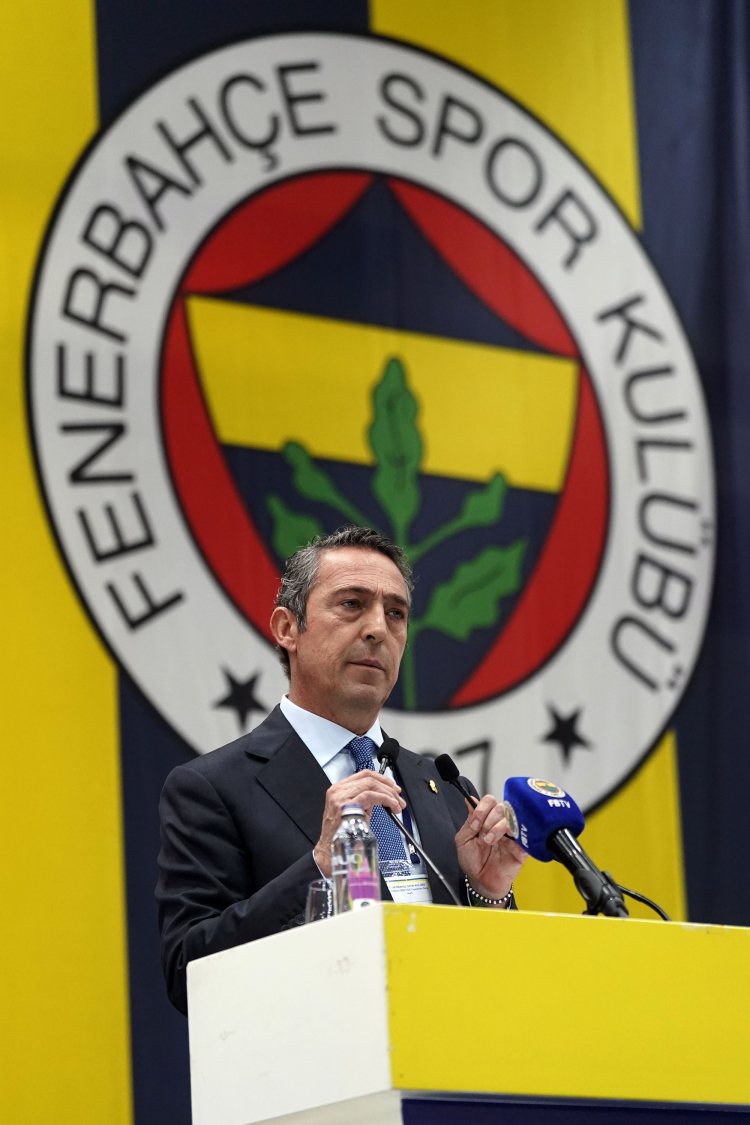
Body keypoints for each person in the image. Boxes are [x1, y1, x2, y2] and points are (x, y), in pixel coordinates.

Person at [157, 526, 527, 1013]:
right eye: (352, 604)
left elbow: (491, 975)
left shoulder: (440, 786)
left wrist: (487, 894)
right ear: (287, 629)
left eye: (395, 613)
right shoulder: (214, 788)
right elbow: (188, 973)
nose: (378, 629)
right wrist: (319, 868)